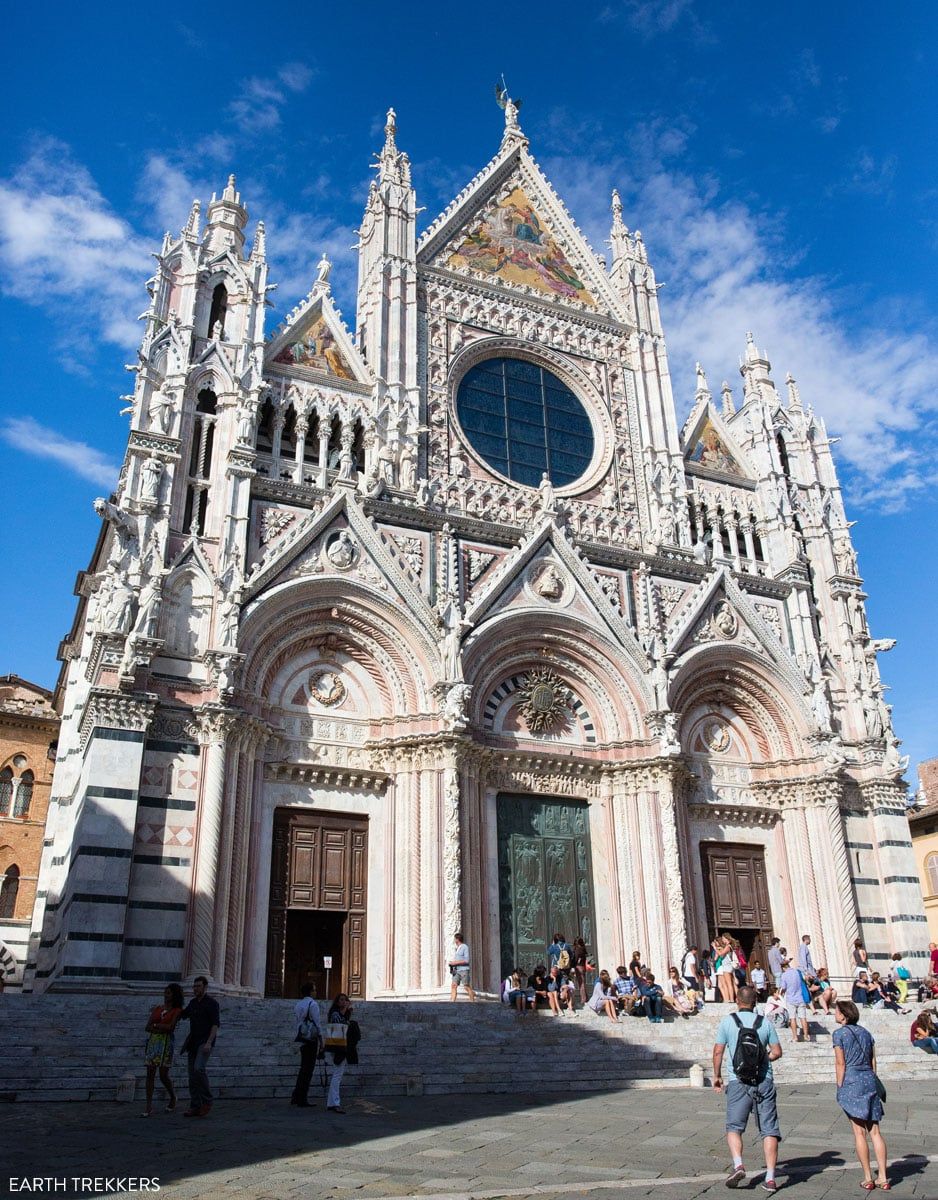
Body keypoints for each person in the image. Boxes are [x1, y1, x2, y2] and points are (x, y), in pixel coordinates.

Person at [712, 984, 783, 1192]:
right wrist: (763, 1061)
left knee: (734, 1127)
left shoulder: (728, 1022)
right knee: (769, 1129)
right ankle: (770, 1178)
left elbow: (718, 1052)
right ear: (755, 1002)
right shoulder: (765, 1023)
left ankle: (738, 1164)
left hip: (738, 1081)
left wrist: (716, 1076)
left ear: (736, 1000)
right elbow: (777, 1052)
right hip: (764, 1081)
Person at [832, 1000, 890, 1191]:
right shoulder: (866, 1033)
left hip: (852, 1081)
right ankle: (883, 1176)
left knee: (859, 1132)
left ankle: (868, 1176)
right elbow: (873, 1061)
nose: (835, 1013)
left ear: (844, 1015)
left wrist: (840, 1086)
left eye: (837, 1011)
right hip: (869, 1079)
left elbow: (841, 1063)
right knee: (875, 1131)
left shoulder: (839, 1034)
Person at [179, 975, 220, 1118]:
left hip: (204, 1041)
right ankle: (195, 1105)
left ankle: (207, 1100)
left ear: (205, 987)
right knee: (192, 1076)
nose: (196, 989)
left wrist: (209, 1042)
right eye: (194, 986)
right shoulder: (193, 1003)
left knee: (198, 1069)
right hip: (193, 1043)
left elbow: (215, 1024)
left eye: (198, 986)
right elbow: (182, 1015)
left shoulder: (212, 1003)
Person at [142, 983, 184, 1116]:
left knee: (163, 1074)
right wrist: (160, 1026)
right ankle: (148, 1106)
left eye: (169, 993)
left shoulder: (177, 1011)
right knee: (150, 1073)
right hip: (154, 1043)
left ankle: (172, 1096)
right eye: (165, 992)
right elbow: (147, 1027)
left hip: (166, 1044)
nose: (166, 995)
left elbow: (171, 1028)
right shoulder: (158, 1009)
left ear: (174, 995)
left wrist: (156, 1025)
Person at [324, 992, 360, 1114]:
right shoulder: (335, 1013)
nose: (343, 1002)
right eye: (341, 1000)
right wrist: (346, 1011)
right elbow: (340, 1024)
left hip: (341, 1045)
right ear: (337, 1002)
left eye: (345, 1000)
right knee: (337, 1075)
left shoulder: (343, 1013)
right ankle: (334, 1103)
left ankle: (331, 1103)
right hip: (337, 1046)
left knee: (337, 1074)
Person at [291, 981, 321, 1108]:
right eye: (314, 989)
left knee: (303, 1068)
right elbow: (317, 1023)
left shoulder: (298, 1004)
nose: (315, 991)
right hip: (311, 1039)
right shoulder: (313, 1004)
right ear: (310, 991)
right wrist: (322, 1039)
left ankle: (296, 1096)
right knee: (308, 1070)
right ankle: (302, 1098)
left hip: (302, 1037)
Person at [778, 957, 810, 1043]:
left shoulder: (784, 975)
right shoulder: (796, 972)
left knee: (792, 1018)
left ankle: (795, 1037)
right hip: (800, 997)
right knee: (803, 1017)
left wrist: (781, 992)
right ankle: (806, 1036)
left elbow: (784, 987)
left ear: (783, 968)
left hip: (791, 999)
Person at [448, 931, 476, 1001]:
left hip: (464, 970)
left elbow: (466, 960)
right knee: (453, 985)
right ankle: (452, 1002)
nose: (454, 940)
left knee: (466, 986)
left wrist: (455, 963)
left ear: (457, 939)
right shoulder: (457, 948)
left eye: (455, 939)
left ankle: (472, 1001)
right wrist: (452, 963)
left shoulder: (464, 947)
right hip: (456, 970)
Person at [572, 937, 591, 1004]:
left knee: (581, 983)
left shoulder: (577, 949)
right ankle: (586, 997)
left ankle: (583, 999)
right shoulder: (583, 949)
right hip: (583, 967)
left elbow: (576, 959)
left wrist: (572, 966)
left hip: (578, 967)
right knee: (583, 982)